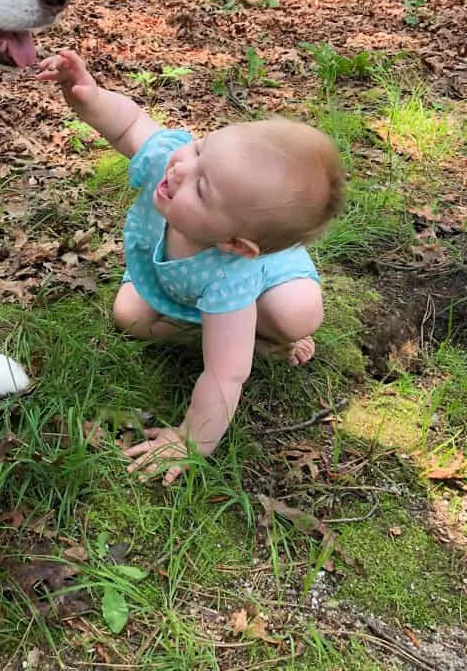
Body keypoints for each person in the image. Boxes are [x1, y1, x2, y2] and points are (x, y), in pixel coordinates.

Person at [37, 50, 344, 486]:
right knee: (129, 316)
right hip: (177, 282)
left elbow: (225, 375)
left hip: (264, 280)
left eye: (202, 189)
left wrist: (189, 441)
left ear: (234, 242)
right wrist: (88, 95)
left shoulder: (229, 273)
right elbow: (129, 124)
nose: (182, 169)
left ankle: (259, 333)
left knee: (298, 315)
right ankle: (235, 339)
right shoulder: (173, 164)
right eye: (201, 147)